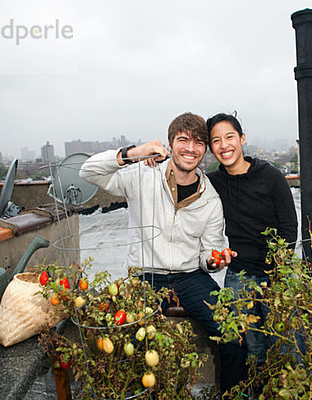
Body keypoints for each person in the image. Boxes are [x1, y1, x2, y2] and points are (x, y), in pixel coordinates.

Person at [79, 112, 246, 393]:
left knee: (233, 336)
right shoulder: (142, 175)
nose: (190, 149)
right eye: (183, 140)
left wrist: (216, 261)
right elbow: (88, 171)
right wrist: (135, 152)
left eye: (198, 142)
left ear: (205, 149)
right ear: (170, 143)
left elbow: (209, 254)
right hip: (144, 274)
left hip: (190, 277)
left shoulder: (210, 198)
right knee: (127, 342)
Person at [206, 112, 298, 366]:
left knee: (291, 345)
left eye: (229, 137)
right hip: (239, 276)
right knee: (251, 350)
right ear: (211, 148)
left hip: (278, 274)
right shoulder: (213, 182)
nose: (224, 145)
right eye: (216, 141)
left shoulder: (271, 177)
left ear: (242, 138)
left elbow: (290, 228)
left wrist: (277, 269)